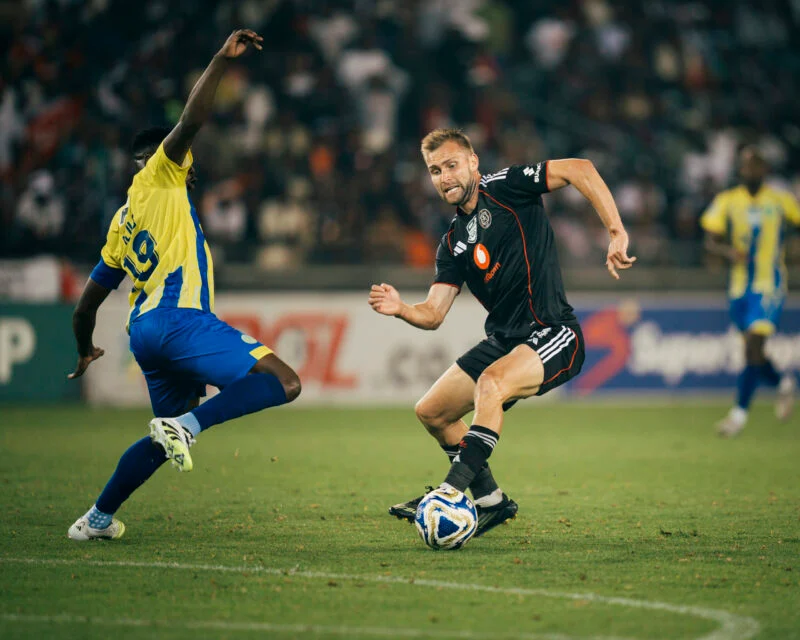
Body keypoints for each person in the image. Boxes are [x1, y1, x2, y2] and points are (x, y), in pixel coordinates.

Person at [67, 30, 301, 541]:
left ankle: (97, 519)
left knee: (163, 437)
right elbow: (191, 120)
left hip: (144, 335)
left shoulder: (121, 222)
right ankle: (188, 427)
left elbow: (85, 307)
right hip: (179, 320)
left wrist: (84, 350)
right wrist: (220, 59)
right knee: (284, 382)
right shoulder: (161, 174)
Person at [368, 128, 634, 536]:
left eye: (452, 165)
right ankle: (491, 501)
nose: (445, 177)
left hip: (553, 331)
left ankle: (449, 493)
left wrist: (615, 231)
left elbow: (580, 169)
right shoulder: (452, 242)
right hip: (505, 341)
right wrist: (402, 309)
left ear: (473, 162)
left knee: (490, 384)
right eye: (435, 170)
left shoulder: (506, 187)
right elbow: (434, 313)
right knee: (432, 411)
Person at [701, 145, 800, 437]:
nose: (750, 170)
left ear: (764, 169)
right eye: (746, 165)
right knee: (753, 352)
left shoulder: (781, 200)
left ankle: (738, 415)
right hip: (738, 287)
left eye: (755, 165)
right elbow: (710, 240)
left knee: (753, 347)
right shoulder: (728, 201)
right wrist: (727, 252)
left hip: (769, 284)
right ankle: (782, 383)